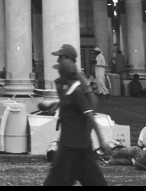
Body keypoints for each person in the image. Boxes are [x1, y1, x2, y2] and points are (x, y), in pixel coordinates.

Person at [43, 58, 111, 186]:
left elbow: (90, 115)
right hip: (76, 146)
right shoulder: (68, 90)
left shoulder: (77, 92)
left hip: (72, 148)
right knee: (93, 181)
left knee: (56, 181)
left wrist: (101, 140)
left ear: (64, 75)